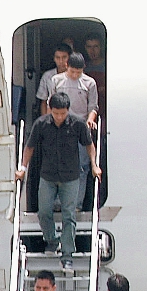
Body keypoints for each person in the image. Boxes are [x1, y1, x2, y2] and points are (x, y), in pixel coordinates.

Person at [16, 92, 101, 270]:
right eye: (56, 113)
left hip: (70, 177)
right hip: (48, 176)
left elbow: (89, 145)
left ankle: (67, 254)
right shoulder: (42, 124)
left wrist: (94, 165)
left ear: (68, 110)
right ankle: (52, 240)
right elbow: (29, 147)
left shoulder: (77, 124)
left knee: (69, 215)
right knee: (44, 211)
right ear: (50, 109)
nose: (59, 117)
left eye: (63, 113)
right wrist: (23, 168)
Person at [50, 52, 101, 205]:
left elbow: (93, 107)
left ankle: (76, 202)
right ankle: (59, 201)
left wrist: (90, 120)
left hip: (80, 128)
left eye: (78, 72)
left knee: (81, 167)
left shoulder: (89, 83)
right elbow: (50, 105)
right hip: (60, 127)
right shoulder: (56, 80)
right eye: (72, 71)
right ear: (67, 66)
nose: (75, 75)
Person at [36, 43, 72, 115]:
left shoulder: (75, 75)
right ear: (54, 59)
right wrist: (45, 120)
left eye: (64, 57)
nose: (61, 61)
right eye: (58, 58)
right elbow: (43, 101)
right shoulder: (47, 76)